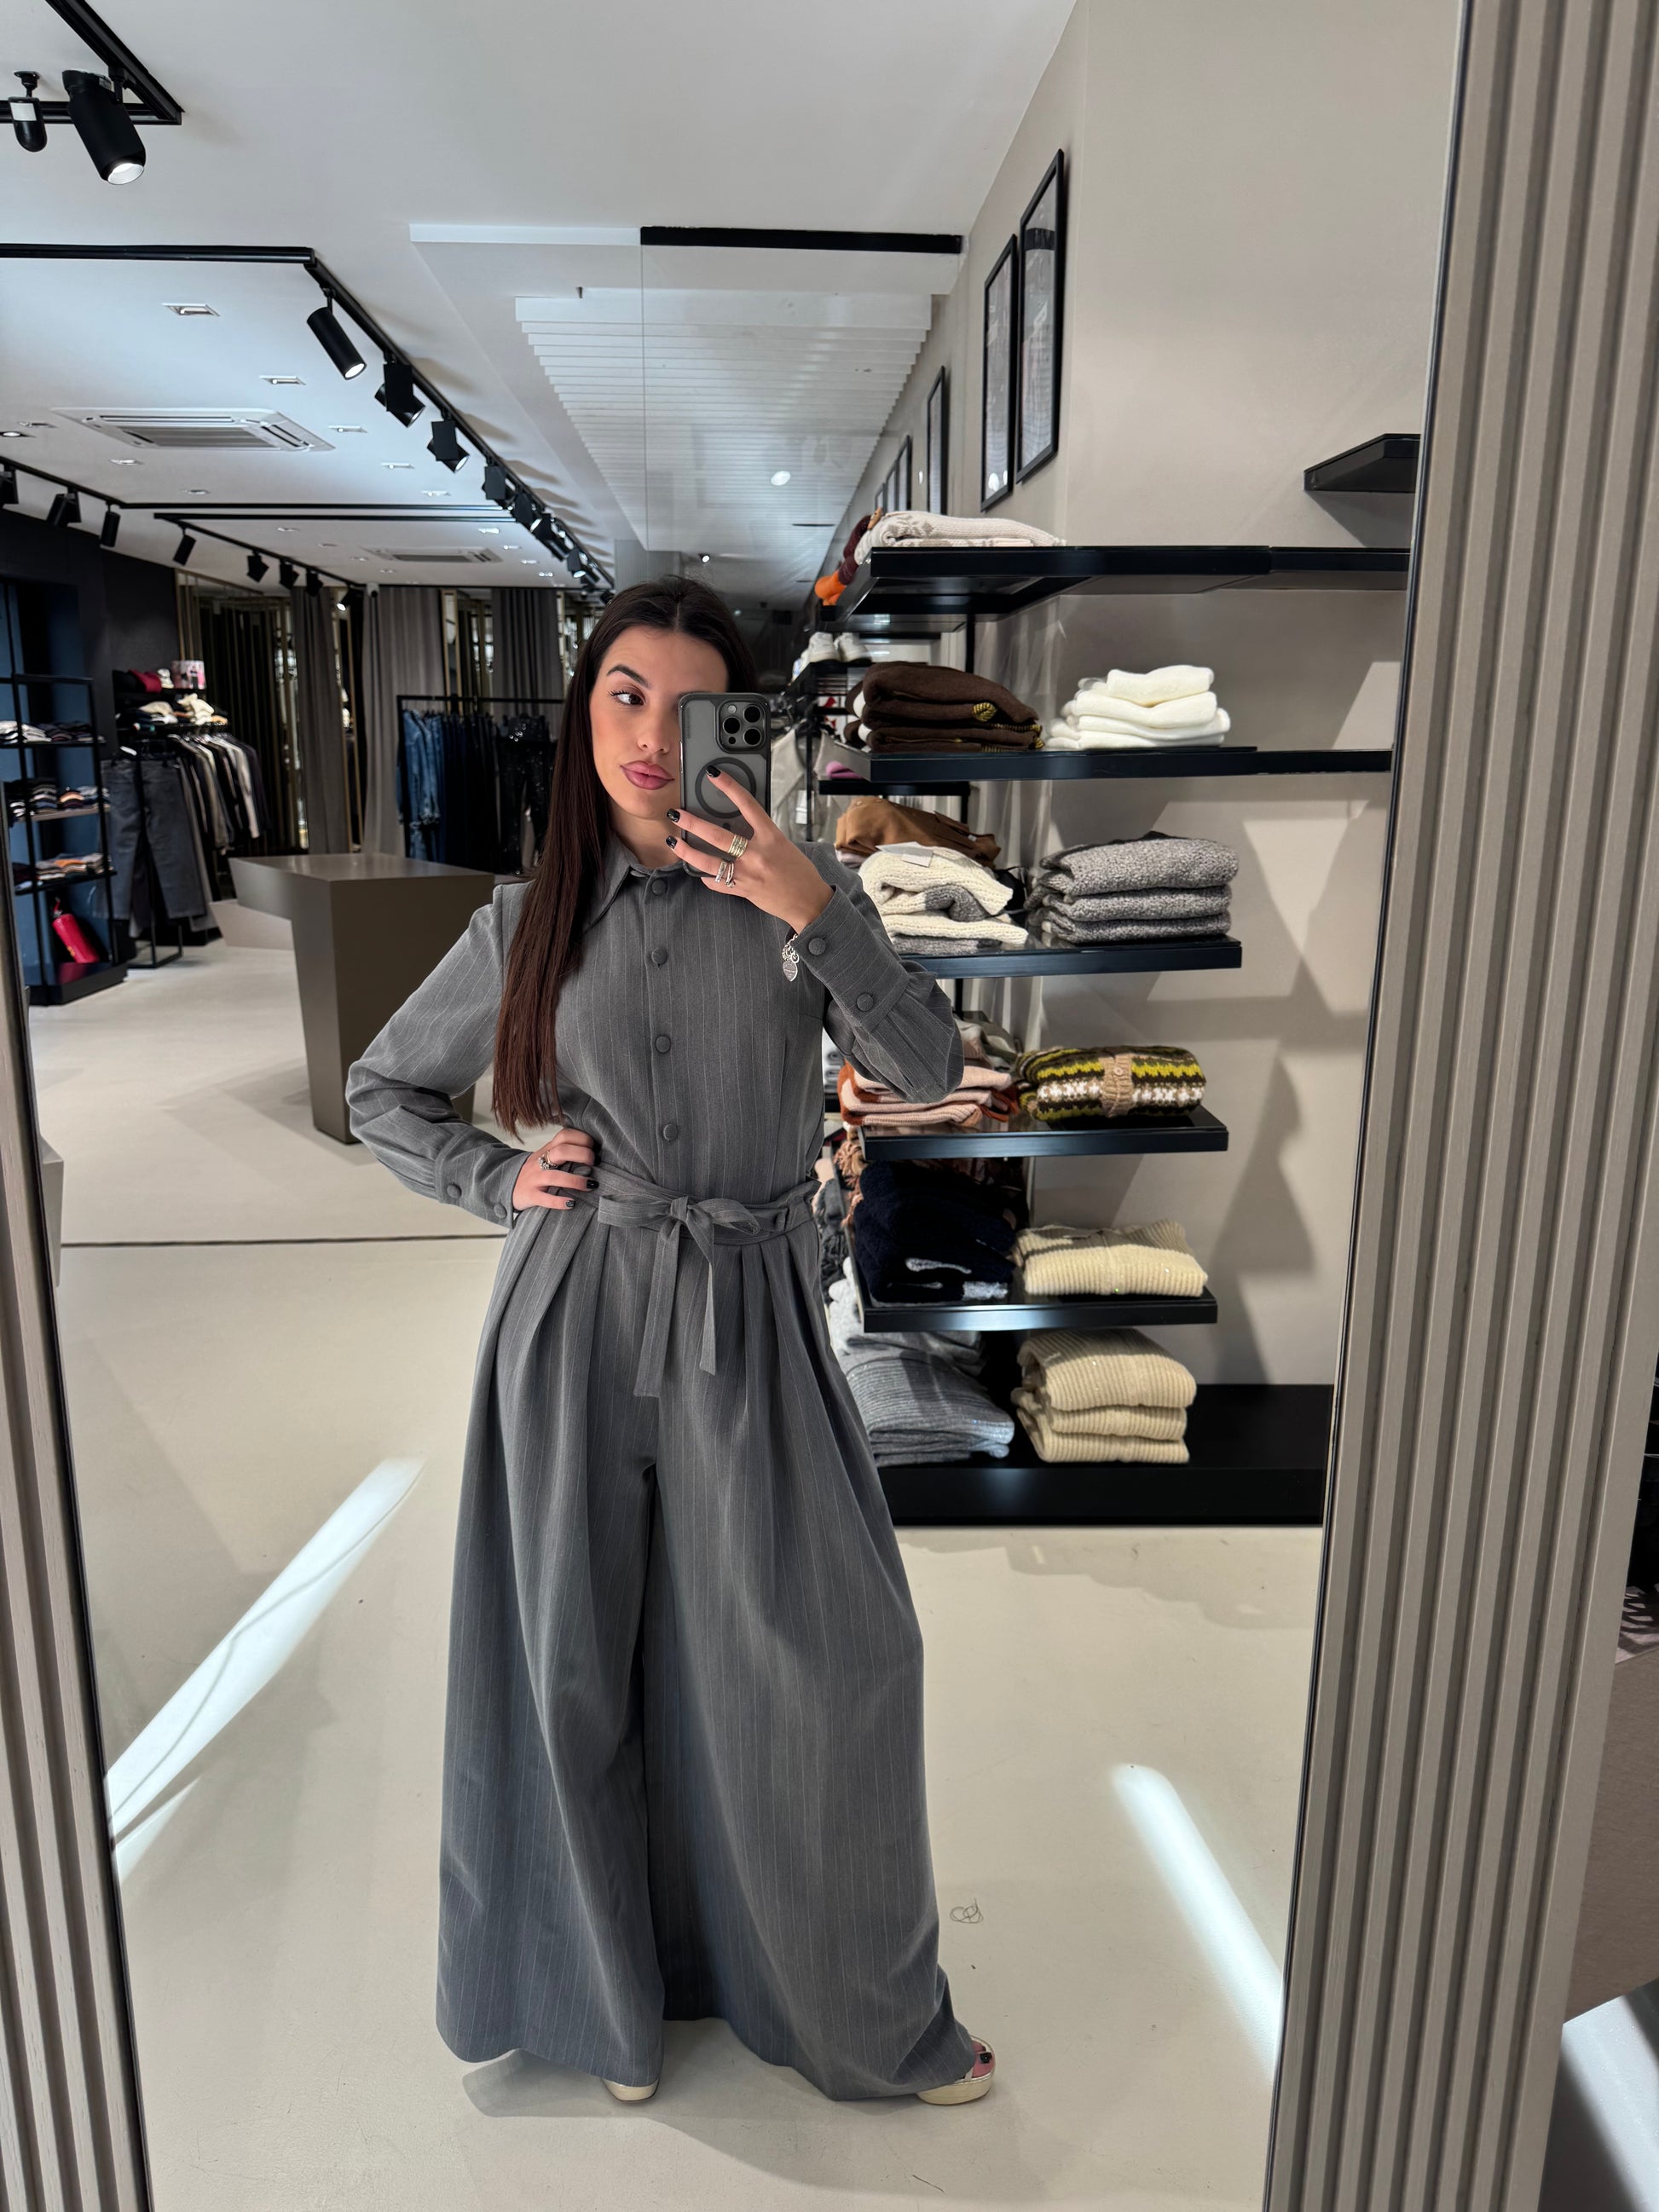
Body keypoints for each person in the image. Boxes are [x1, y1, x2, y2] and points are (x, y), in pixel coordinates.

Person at [346, 576, 995, 2107]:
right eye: (622, 696)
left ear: (737, 729)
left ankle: (856, 2010)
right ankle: (597, 2007)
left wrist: (815, 912)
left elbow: (929, 1067)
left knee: (828, 1660)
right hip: (576, 1310)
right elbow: (385, 1090)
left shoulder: (797, 901)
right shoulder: (527, 918)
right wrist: (496, 1179)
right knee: (570, 1658)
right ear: (583, 716)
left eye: (689, 708)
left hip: (754, 1308)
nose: (650, 737)